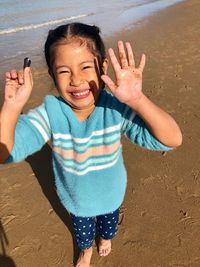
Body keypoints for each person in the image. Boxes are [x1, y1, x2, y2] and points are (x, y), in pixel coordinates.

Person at [0, 22, 182, 267]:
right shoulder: (51, 113)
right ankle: (86, 252)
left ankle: (105, 239)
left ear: (102, 67)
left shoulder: (114, 108)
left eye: (86, 66)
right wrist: (12, 107)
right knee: (84, 236)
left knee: (108, 227)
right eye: (63, 71)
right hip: (78, 202)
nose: (76, 79)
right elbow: (4, 151)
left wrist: (137, 100)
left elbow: (171, 139)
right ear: (53, 76)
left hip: (112, 195)